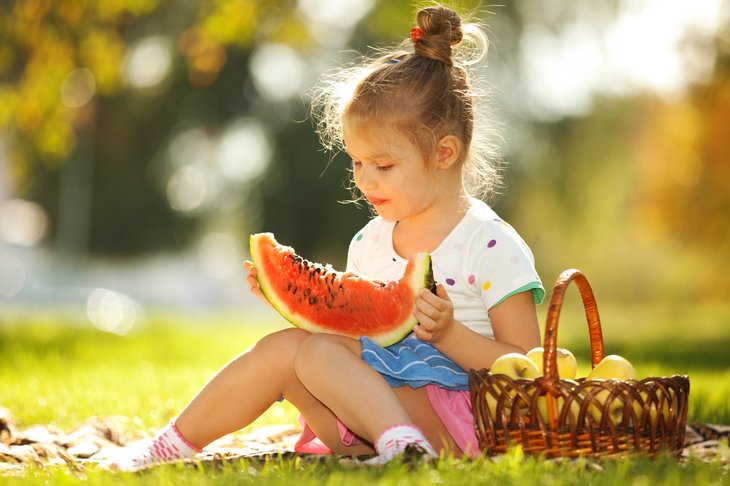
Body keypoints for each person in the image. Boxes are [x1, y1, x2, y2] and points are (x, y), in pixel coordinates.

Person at [101, 5, 544, 471]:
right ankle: (168, 446)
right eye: (356, 162)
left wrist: (451, 336)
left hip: (461, 422)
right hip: (358, 418)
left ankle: (407, 448)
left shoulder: (491, 244)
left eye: (384, 166)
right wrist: (288, 294)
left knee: (315, 354)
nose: (364, 181)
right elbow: (352, 335)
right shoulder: (369, 242)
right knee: (283, 348)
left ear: (445, 153)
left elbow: (530, 374)